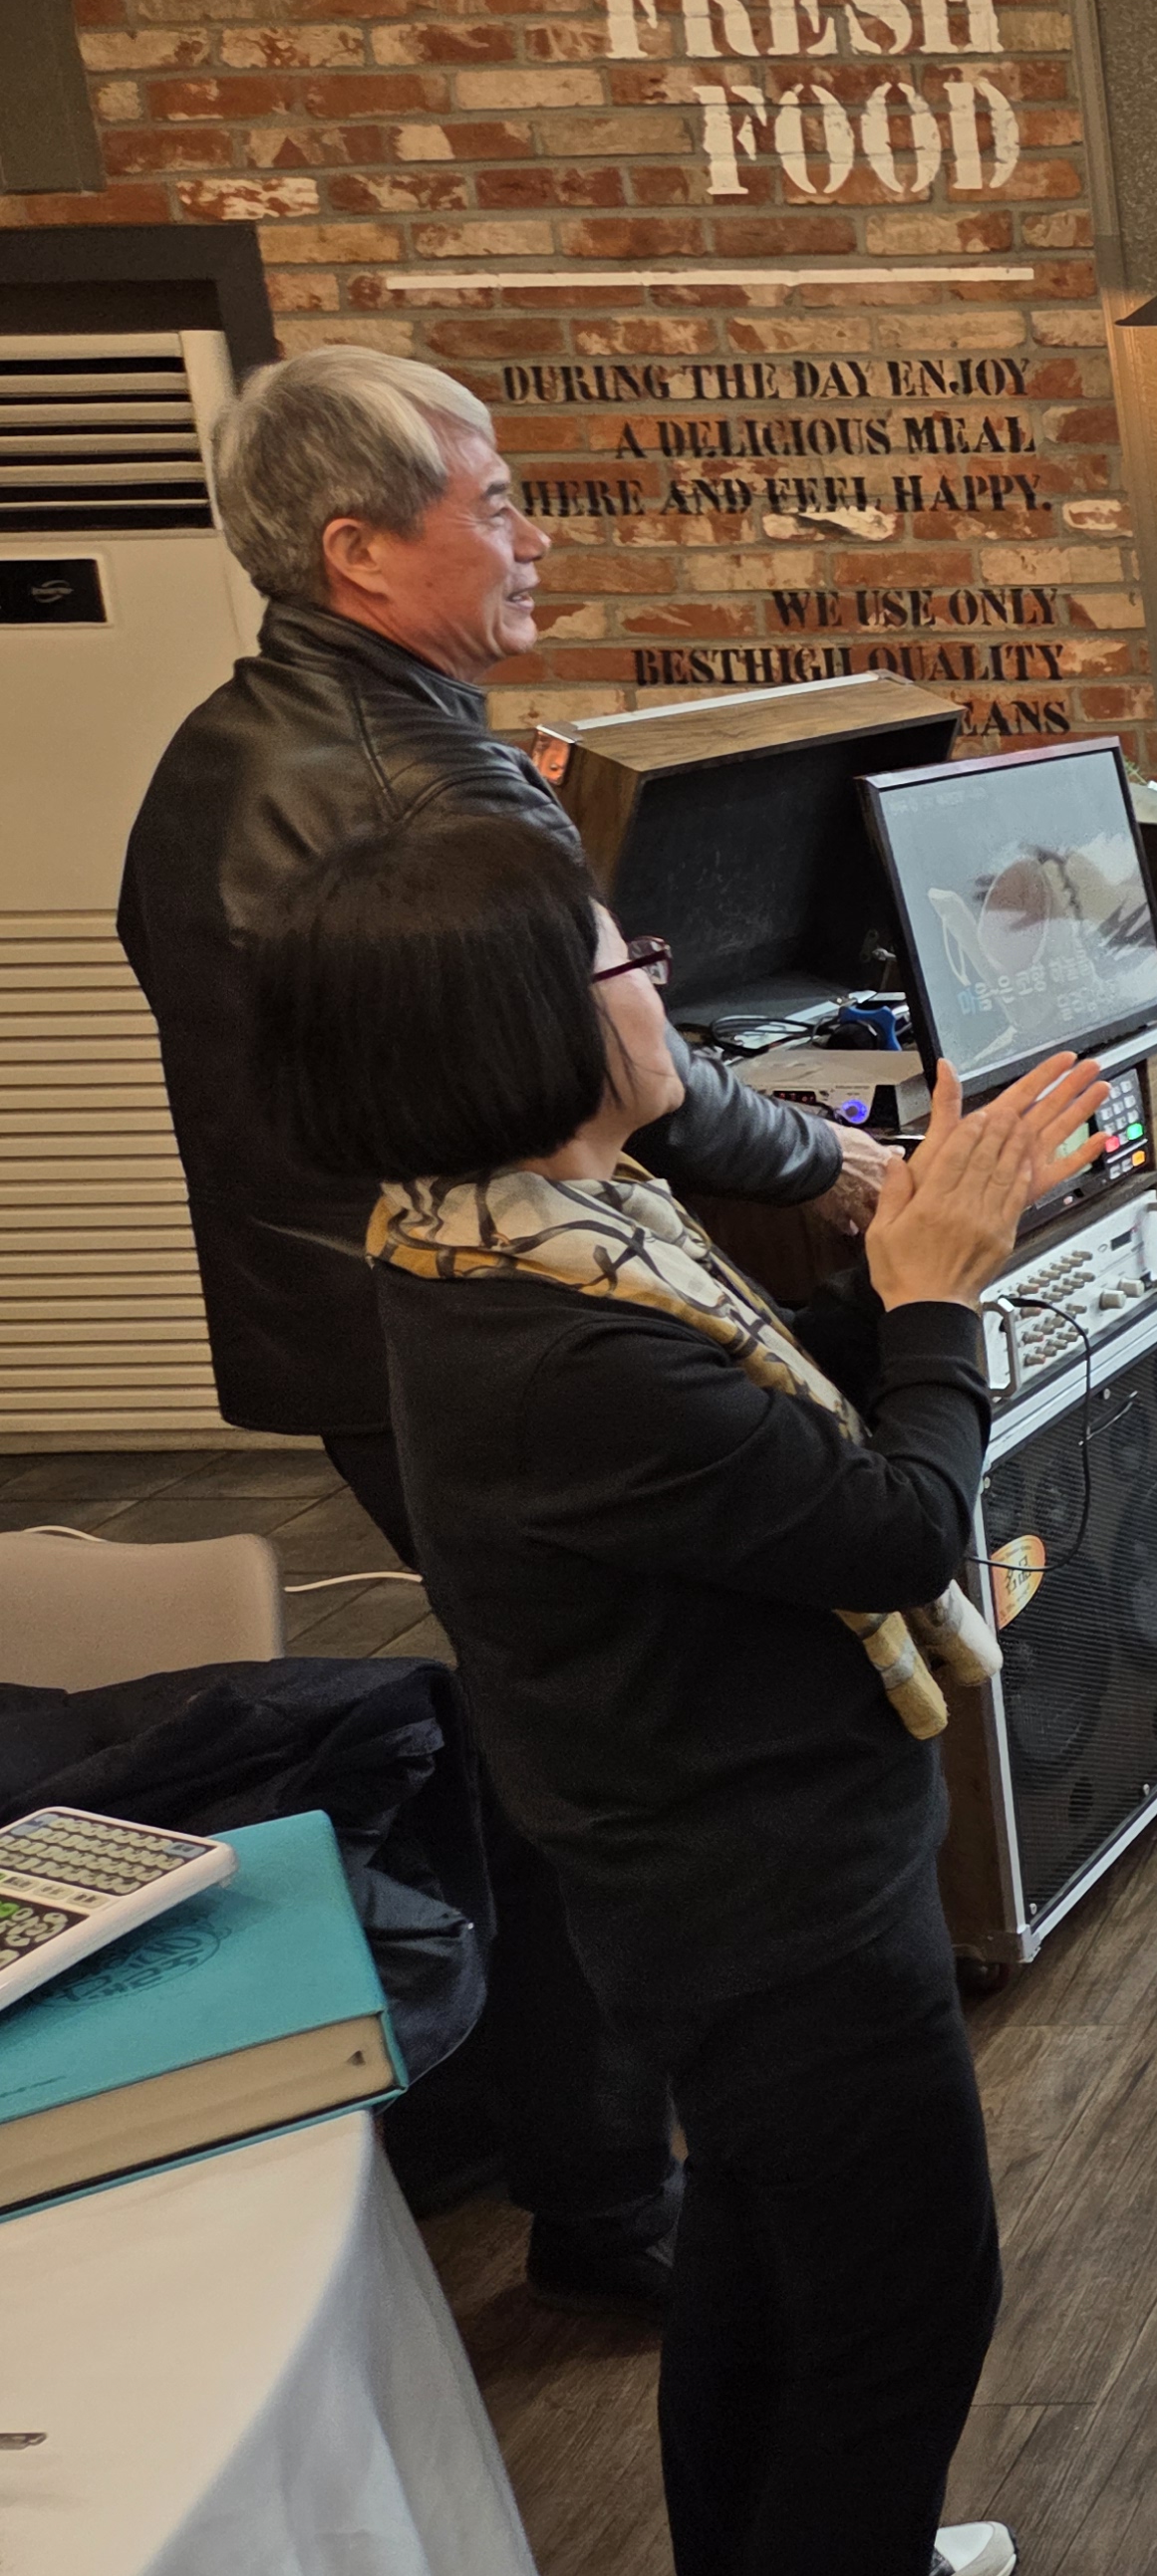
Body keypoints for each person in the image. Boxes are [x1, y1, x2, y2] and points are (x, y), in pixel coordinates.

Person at [257, 808, 1108, 2576]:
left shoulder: (507, 1234)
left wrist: (914, 1268)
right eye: (619, 957)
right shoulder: (564, 1343)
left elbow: (779, 1439)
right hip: (767, 1894)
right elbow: (890, 1527)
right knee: (900, 2307)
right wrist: (935, 1298)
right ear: (522, 1026)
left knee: (765, 2261)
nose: (656, 981)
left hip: (704, 1867)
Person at [118, 344, 885, 2318]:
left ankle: (551, 2134)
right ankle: (615, 2198)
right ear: (359, 551)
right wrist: (843, 1169)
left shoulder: (223, 743)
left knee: (550, 1729)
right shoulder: (415, 784)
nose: (532, 535)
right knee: (616, 1761)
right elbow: (629, 1070)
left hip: (356, 1322)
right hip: (467, 1319)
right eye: (494, 502)